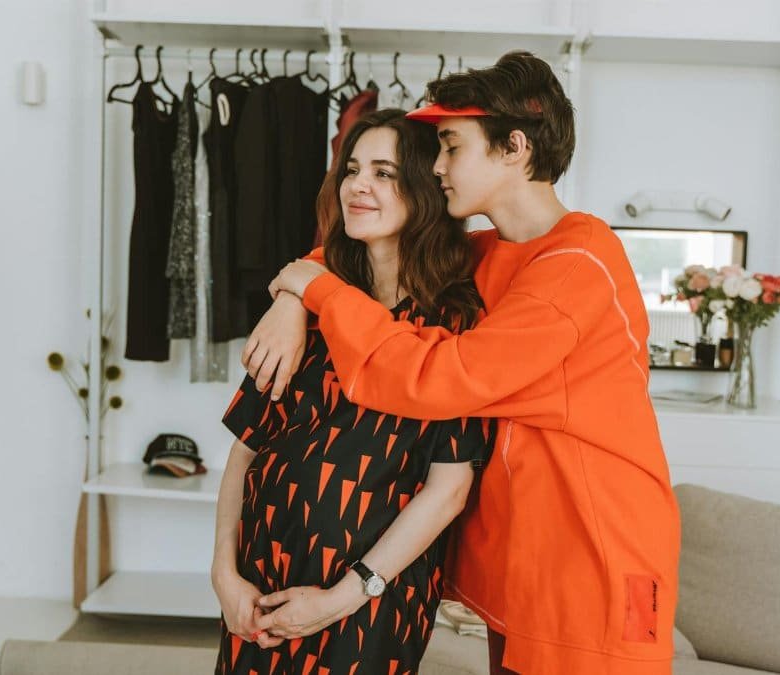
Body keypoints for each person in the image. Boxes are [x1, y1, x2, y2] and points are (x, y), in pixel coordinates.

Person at [243, 52, 678, 674]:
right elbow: (375, 252)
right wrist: (294, 289)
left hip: (595, 553)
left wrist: (312, 290)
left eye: (450, 146)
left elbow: (439, 379)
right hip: (530, 559)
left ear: (514, 148)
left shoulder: (576, 267)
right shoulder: (490, 252)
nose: (437, 167)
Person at [211, 109, 493, 675]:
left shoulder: (456, 321)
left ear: (423, 186)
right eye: (353, 169)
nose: (358, 185)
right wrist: (224, 575)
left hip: (368, 597)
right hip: (260, 581)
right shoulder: (309, 305)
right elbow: (245, 450)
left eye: (385, 173)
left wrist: (342, 597)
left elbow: (449, 489)